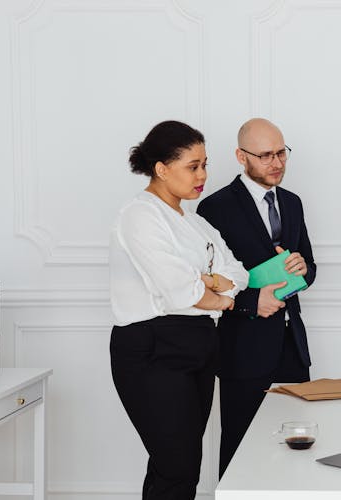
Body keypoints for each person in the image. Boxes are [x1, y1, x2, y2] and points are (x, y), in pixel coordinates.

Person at [109, 120, 249, 500]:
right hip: (153, 347)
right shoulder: (140, 215)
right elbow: (179, 291)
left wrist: (211, 282)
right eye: (193, 166)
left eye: (205, 164)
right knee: (178, 465)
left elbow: (238, 274)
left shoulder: (198, 223)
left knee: (175, 463)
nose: (203, 175)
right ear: (161, 168)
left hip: (200, 344)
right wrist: (215, 290)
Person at [197, 118, 316, 477]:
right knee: (239, 450)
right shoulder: (213, 208)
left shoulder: (292, 203)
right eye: (265, 155)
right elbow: (205, 284)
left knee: (297, 447)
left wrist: (301, 268)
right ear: (240, 156)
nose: (276, 163)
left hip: (291, 346)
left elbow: (310, 267)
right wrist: (251, 301)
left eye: (281, 153)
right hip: (241, 348)